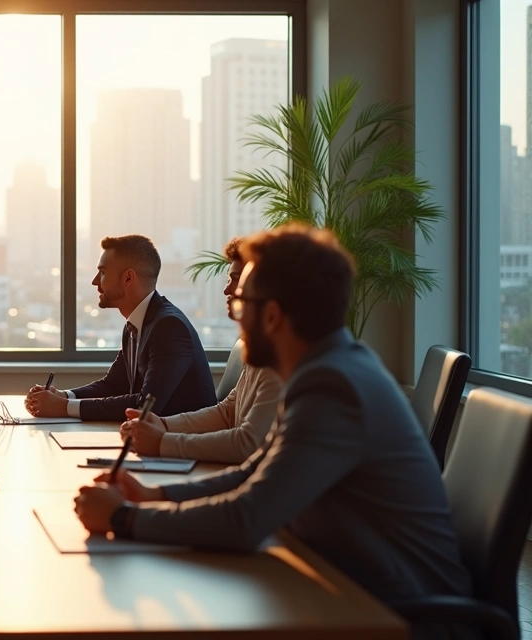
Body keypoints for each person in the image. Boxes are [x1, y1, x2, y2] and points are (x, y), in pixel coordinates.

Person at [74, 225, 472, 628]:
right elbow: (252, 473)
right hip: (354, 587)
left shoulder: (333, 387)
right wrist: (150, 495)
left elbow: (248, 519)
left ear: (272, 315)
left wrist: (125, 519)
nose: (234, 311)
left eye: (242, 300)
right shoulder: (326, 369)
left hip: (401, 616)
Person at [120, 238, 282, 464]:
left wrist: (162, 442)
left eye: (237, 280)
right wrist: (163, 425)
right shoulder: (260, 349)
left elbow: (247, 444)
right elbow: (227, 413)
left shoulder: (285, 360)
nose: (227, 289)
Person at [25, 234, 215, 420]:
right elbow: (113, 385)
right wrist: (64, 396)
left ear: (128, 278)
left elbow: (146, 405)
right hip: (153, 440)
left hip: (182, 445)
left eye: (103, 272)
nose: (95, 281)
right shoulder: (135, 324)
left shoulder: (169, 327)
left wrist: (64, 408)